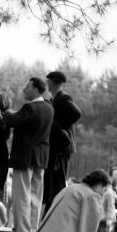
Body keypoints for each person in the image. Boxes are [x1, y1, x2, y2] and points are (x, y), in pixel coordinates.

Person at [0, 77, 53, 232]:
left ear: (36, 89)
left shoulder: (30, 107)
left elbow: (13, 120)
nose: (24, 90)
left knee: (22, 195)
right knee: (36, 196)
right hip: (41, 158)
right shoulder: (49, 108)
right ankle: (33, 229)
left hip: (25, 157)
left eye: (27, 87)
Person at [42, 71, 81, 212]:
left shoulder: (63, 98)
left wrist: (59, 127)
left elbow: (76, 113)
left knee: (57, 184)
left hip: (62, 148)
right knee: (52, 184)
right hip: (56, 148)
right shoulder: (54, 99)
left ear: (51, 83)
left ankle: (55, 213)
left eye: (48, 82)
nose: (46, 85)